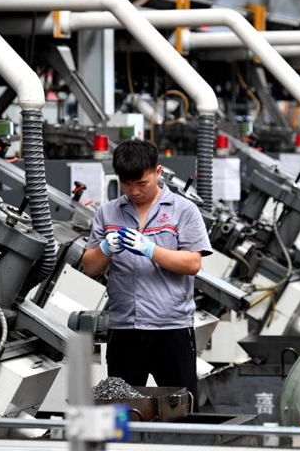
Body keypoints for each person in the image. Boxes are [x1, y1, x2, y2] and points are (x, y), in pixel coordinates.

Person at [82, 140, 212, 406]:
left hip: (171, 328)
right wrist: (105, 248)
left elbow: (192, 264)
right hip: (124, 330)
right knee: (120, 413)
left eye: (142, 183)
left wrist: (150, 249)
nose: (134, 191)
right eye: (127, 184)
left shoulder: (183, 210)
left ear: (158, 172)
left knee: (182, 410)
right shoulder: (108, 213)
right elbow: (89, 266)